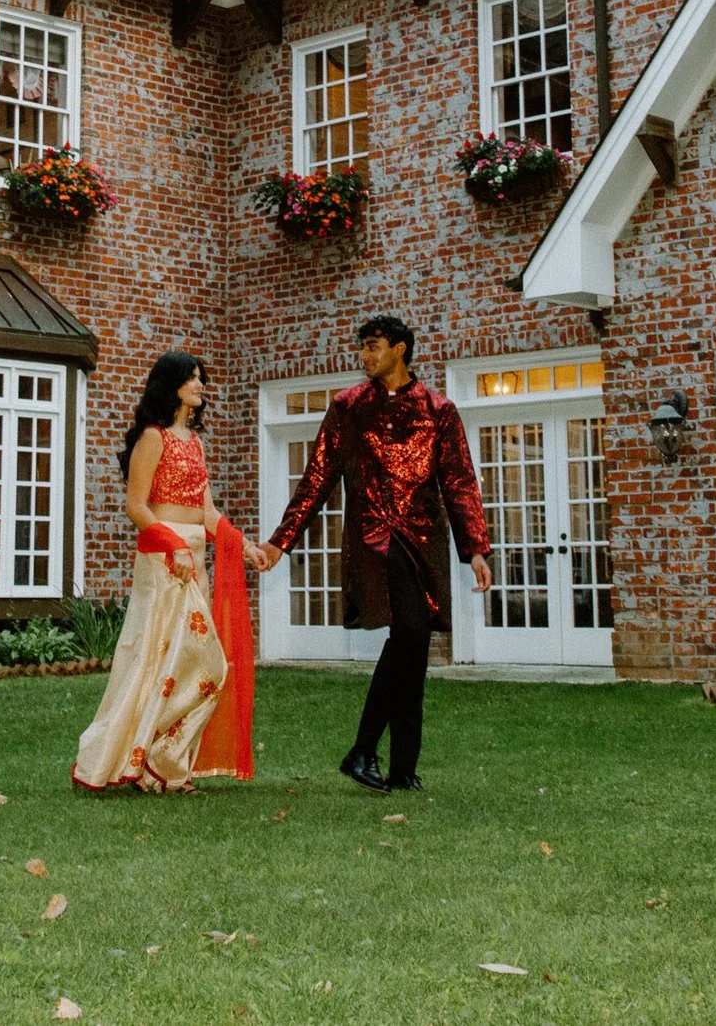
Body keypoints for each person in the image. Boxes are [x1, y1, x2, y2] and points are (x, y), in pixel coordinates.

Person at [253, 315, 491, 793]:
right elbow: (317, 478)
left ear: (400, 349)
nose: (365, 356)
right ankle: (365, 750)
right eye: (362, 347)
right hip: (374, 541)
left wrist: (476, 550)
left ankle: (400, 768)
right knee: (411, 639)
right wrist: (281, 540)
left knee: (413, 649)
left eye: (373, 346)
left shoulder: (439, 410)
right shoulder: (348, 408)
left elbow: (460, 483)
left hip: (425, 542)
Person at [71, 352, 255, 792]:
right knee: (169, 659)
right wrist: (173, 545)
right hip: (163, 558)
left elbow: (206, 513)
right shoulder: (152, 438)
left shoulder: (195, 442)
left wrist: (244, 546)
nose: (201, 385)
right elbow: (136, 506)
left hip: (193, 555)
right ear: (170, 385)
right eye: (192, 379)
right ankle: (141, 760)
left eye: (201, 379)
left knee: (199, 663)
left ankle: (162, 762)